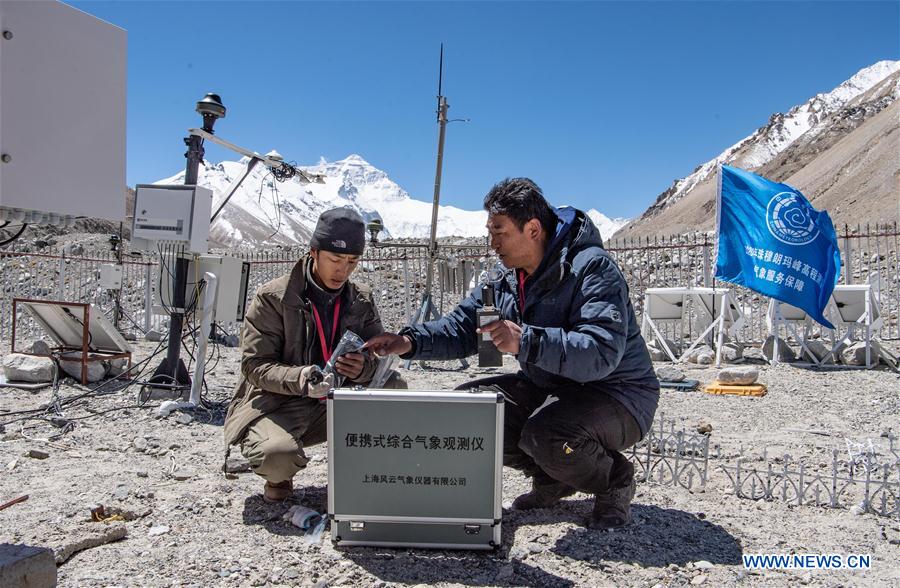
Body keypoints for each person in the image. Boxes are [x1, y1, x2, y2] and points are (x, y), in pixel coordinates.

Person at [365, 178, 659, 529]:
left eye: (500, 233)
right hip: (553, 388)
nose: (493, 244)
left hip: (618, 395)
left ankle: (615, 479)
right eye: (491, 232)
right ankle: (554, 477)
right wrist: (408, 342)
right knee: (470, 412)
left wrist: (527, 341)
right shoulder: (505, 280)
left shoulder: (592, 269)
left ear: (533, 229)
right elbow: (462, 328)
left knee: (547, 434)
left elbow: (600, 352)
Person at [224, 207, 404, 503]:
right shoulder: (273, 298)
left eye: (352, 262)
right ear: (313, 252)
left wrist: (363, 368)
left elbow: (378, 355)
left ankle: (369, 469)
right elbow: (254, 365)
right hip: (281, 402)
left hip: (339, 400)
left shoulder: (361, 297)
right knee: (276, 456)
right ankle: (280, 474)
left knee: (396, 387)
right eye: (335, 260)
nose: (343, 271)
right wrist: (301, 378)